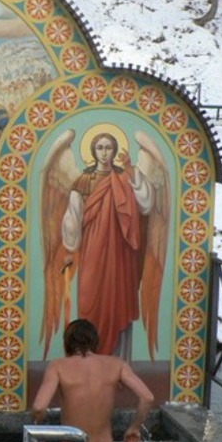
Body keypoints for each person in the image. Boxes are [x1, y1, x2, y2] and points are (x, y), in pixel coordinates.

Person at [61, 131, 155, 356]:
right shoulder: (84, 181)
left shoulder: (127, 176)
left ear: (115, 150)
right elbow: (73, 216)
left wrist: (132, 171)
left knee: (118, 300)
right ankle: (87, 357)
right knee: (90, 298)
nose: (104, 153)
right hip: (92, 248)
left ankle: (119, 361)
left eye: (108, 147)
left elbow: (146, 204)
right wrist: (70, 245)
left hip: (122, 250)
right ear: (93, 151)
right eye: (100, 148)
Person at [31, 319, 155, 442]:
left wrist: (38, 428)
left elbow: (39, 407)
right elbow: (147, 397)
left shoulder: (57, 366)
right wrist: (135, 427)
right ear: (95, 341)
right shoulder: (116, 364)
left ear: (67, 342)